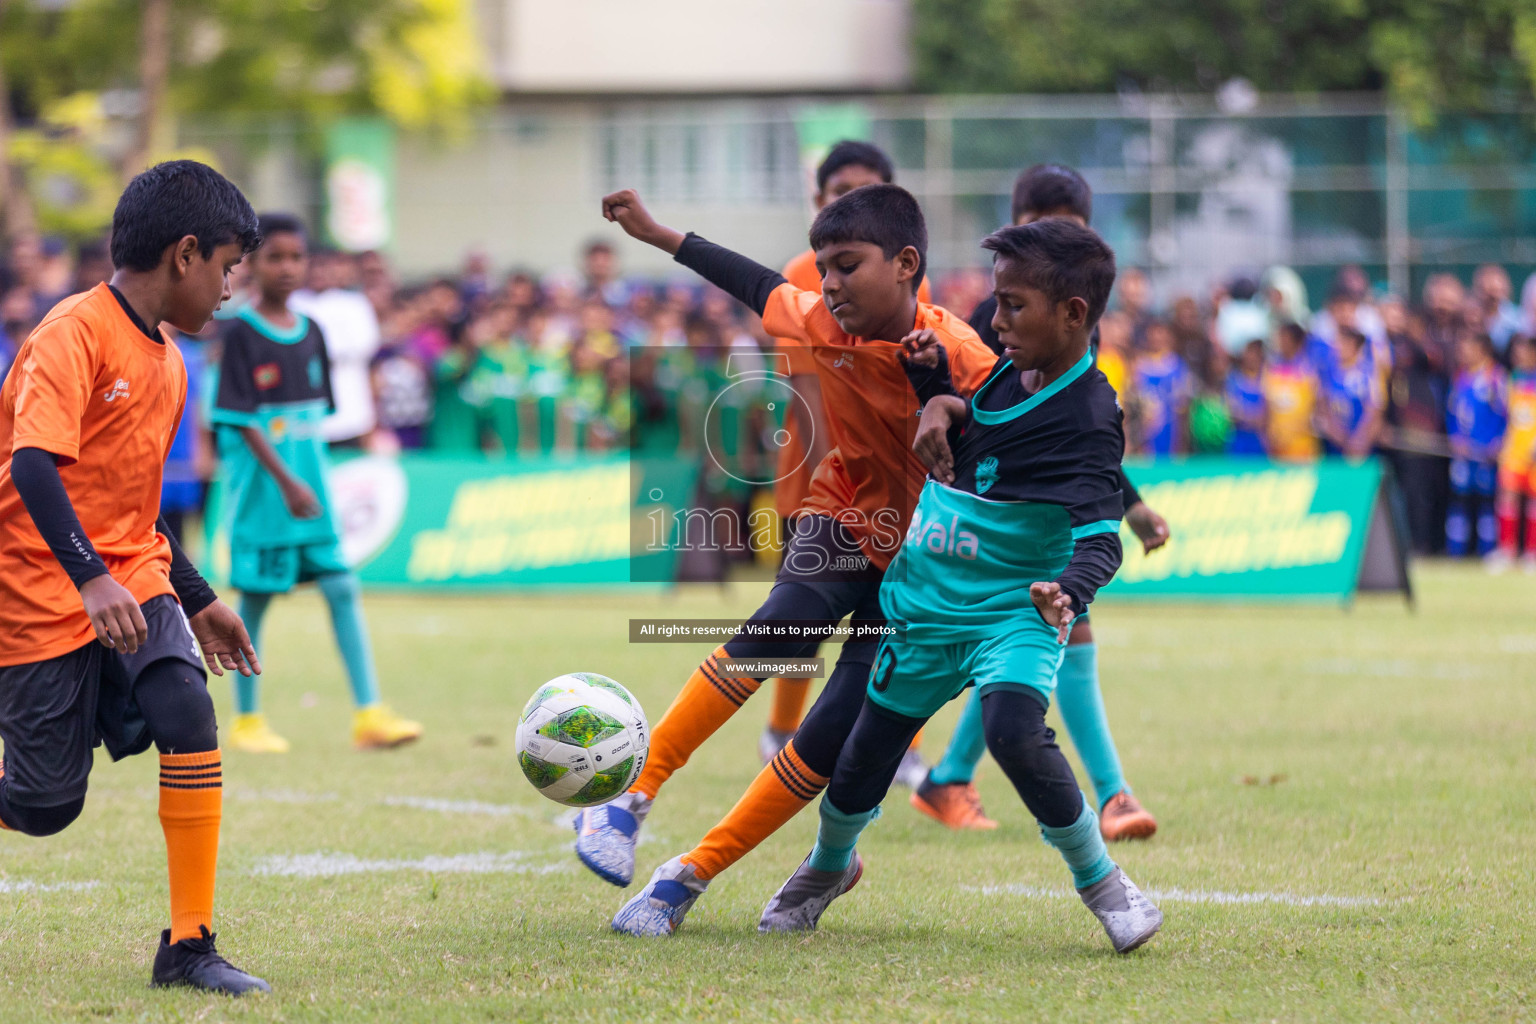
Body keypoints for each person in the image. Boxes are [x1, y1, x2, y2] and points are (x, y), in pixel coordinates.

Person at [582, 183, 998, 911]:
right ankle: (629, 798)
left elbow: (1014, 446)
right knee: (778, 633)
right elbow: (755, 281)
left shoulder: (963, 355)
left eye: (846, 265)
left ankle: (690, 875)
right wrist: (659, 235)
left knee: (833, 727)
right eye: (823, 267)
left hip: (923, 569)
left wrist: (948, 404)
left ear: (906, 264)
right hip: (838, 519)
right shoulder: (815, 318)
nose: (828, 284)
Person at [754, 219, 1162, 953]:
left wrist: (1070, 587)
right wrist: (936, 389)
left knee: (1012, 729)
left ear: (1073, 314)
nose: (996, 321)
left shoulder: (1091, 415)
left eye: (1013, 306)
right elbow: (978, 432)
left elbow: (1100, 535)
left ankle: (1104, 884)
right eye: (997, 303)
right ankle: (828, 865)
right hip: (928, 601)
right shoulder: (1008, 366)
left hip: (1014, 607)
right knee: (861, 761)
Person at [0, 160, 268, 994]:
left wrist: (201, 598)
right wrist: (88, 579)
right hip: (40, 588)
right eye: (227, 268)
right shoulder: (72, 331)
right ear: (185, 254)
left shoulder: (172, 361)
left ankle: (189, 946)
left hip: (131, 579)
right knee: (46, 810)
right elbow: (35, 464)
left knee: (189, 709)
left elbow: (136, 511)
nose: (229, 290)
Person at [912, 163, 1164, 841]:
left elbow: (1080, 438)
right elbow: (975, 415)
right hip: (989, 517)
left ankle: (947, 777)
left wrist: (1128, 503)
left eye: (1075, 233)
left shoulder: (1071, 312)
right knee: (1051, 632)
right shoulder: (996, 320)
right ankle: (1111, 795)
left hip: (1049, 514)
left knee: (1030, 644)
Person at [211, 213, 422, 753]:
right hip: (264, 498)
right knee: (254, 601)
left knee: (342, 586)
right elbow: (239, 419)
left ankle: (369, 713)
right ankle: (247, 720)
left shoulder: (313, 333)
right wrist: (287, 483)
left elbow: (309, 421)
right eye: (274, 256)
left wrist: (310, 482)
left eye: (296, 257)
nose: (287, 267)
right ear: (250, 264)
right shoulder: (239, 333)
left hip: (312, 497)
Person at [760, 139, 933, 789]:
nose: (851, 203)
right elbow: (809, 393)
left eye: (867, 190)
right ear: (818, 199)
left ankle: (903, 748)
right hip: (823, 478)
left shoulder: (906, 275)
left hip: (896, 482)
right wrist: (819, 491)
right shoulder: (805, 274)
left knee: (901, 620)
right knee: (800, 620)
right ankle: (780, 731)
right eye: (840, 193)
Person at [291, 249, 381, 449]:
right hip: (303, 406)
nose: (318, 273)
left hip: (349, 401)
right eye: (313, 267)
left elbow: (366, 344)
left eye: (324, 267)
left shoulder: (354, 304)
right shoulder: (293, 303)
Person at [1445, 331, 1507, 558]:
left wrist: (1497, 442)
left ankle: (1487, 551)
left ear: (1482, 350)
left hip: (1485, 455)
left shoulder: (1495, 378)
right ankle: (1455, 551)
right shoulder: (1459, 377)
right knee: (1458, 502)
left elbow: (1505, 415)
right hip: (1462, 454)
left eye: (1467, 348)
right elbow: (1451, 412)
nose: (1462, 353)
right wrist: (1454, 437)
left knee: (1486, 503)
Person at [1491, 334, 1536, 570]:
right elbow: (1507, 417)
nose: (1518, 356)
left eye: (1523, 351)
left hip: (1534, 452)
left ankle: (1532, 552)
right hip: (1514, 451)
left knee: (1533, 503)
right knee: (1508, 497)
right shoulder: (1511, 380)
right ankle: (1506, 550)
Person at [1319, 326, 1384, 459]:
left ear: (1354, 345)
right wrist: (1341, 438)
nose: (1337, 347)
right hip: (1335, 449)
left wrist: (1361, 442)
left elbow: (1375, 411)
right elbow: (1323, 409)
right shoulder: (1328, 373)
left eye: (1342, 342)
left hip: (1364, 450)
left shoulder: (1370, 374)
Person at [1263, 322, 1321, 462]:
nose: (1280, 343)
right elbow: (1267, 404)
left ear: (1297, 341)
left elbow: (1318, 405)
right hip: (1276, 447)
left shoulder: (1309, 370)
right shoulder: (1272, 368)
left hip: (1302, 445)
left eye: (1285, 338)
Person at [1132, 320, 1191, 457]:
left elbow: (1182, 404)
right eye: (1153, 334)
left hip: (1171, 428)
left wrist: (1182, 440)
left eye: (1161, 333)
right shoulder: (1139, 365)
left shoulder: (1177, 365)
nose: (1156, 338)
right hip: (1145, 430)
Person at [1227, 339, 1267, 455]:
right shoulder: (1234, 380)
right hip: (1239, 440)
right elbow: (1232, 412)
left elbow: (1265, 416)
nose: (1251, 358)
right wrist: (1253, 418)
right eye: (1249, 353)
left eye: (1255, 354)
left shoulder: (1267, 379)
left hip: (1260, 441)